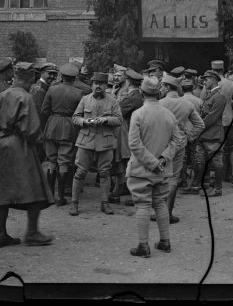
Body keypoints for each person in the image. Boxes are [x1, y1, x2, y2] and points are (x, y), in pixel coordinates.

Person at [0, 62, 55, 248]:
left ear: (15, 77)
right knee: (35, 187)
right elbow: (32, 130)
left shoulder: (2, 95)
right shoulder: (26, 97)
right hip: (20, 146)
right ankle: (32, 233)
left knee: (0, 189)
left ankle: (0, 234)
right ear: (31, 78)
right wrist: (40, 144)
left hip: (0, 144)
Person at [126, 76, 180, 257]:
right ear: (159, 92)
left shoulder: (138, 114)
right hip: (163, 170)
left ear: (141, 92)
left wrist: (152, 163)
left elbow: (134, 144)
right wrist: (163, 159)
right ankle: (165, 241)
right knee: (160, 203)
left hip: (142, 171)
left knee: (142, 205)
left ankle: (143, 246)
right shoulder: (169, 114)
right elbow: (176, 141)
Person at [69, 72, 123, 216]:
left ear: (106, 85)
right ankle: (74, 203)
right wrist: (84, 122)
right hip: (86, 140)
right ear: (91, 85)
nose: (98, 86)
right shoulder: (85, 99)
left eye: (101, 84)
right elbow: (75, 117)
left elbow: (119, 120)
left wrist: (106, 120)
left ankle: (104, 203)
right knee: (80, 172)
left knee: (105, 173)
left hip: (105, 141)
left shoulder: (113, 101)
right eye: (95, 83)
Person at [159, 74, 204, 222]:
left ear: (166, 87)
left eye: (162, 86)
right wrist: (189, 136)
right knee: (173, 178)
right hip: (180, 143)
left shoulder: (160, 103)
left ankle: (158, 212)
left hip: (162, 144)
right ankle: (168, 213)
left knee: (159, 177)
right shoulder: (187, 104)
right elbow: (200, 125)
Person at [40, 63, 83, 206]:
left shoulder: (52, 90)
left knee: (51, 161)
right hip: (68, 127)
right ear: (74, 78)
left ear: (62, 76)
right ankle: (60, 197)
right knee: (64, 161)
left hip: (52, 125)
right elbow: (79, 114)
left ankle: (50, 195)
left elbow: (44, 110)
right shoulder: (78, 93)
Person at [182, 70, 226, 196]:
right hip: (204, 134)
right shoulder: (210, 95)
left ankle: (218, 189)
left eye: (206, 79)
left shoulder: (220, 97)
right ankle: (197, 185)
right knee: (199, 160)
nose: (204, 81)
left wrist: (197, 128)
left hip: (213, 135)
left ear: (213, 80)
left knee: (216, 161)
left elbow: (212, 117)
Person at [110, 69, 144, 205]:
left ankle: (125, 187)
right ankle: (125, 186)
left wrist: (113, 96)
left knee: (124, 160)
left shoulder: (132, 97)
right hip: (132, 130)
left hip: (128, 131)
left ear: (129, 82)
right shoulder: (138, 95)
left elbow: (116, 111)